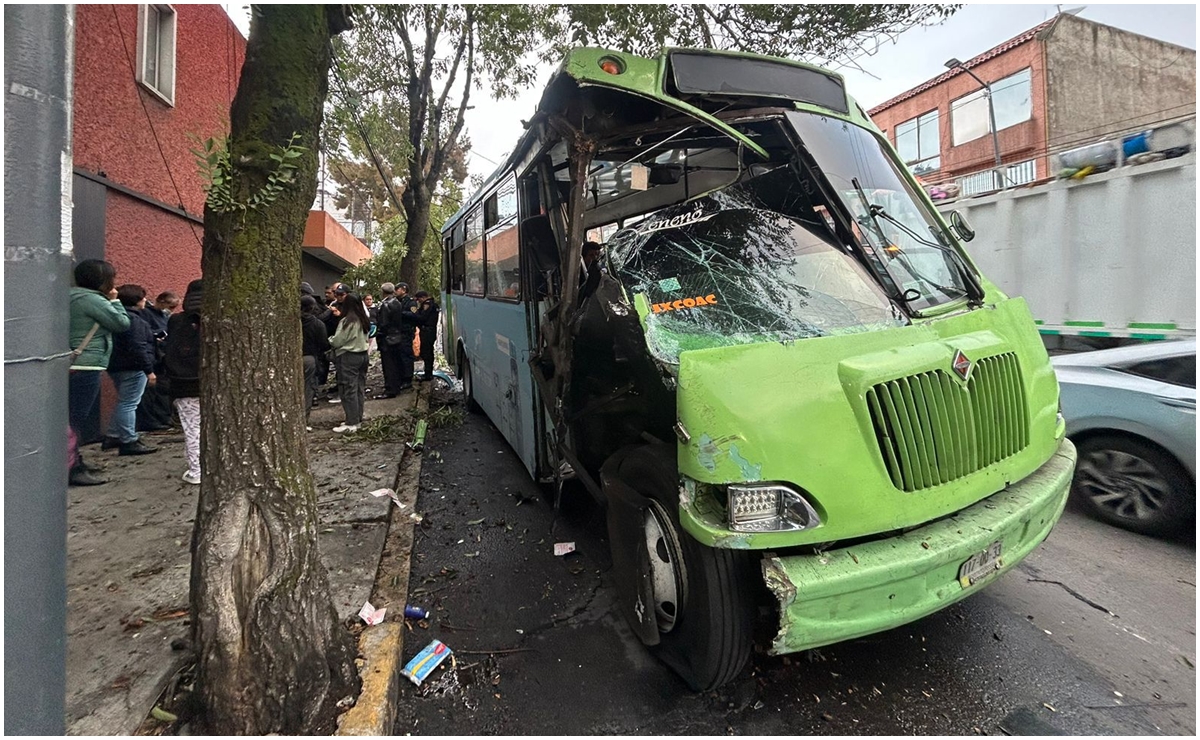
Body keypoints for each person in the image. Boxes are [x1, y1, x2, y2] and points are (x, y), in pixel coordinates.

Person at [68, 259, 131, 485]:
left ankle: (74, 460)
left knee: (70, 416)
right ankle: (71, 467)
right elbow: (121, 323)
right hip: (87, 364)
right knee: (75, 418)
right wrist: (115, 301)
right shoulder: (93, 300)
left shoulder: (70, 296)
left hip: (71, 363)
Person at [101, 284, 159, 455]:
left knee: (124, 401)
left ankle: (113, 435)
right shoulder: (136, 321)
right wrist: (149, 370)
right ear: (137, 301)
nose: (145, 301)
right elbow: (139, 347)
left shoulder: (116, 317)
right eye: (142, 298)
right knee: (129, 404)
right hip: (134, 367)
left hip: (115, 365)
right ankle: (129, 440)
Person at [164, 279, 203, 485]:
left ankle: (196, 470)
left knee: (192, 428)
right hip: (213, 384)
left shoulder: (176, 321)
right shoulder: (222, 321)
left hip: (183, 383)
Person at [135, 290, 179, 432]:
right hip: (153, 355)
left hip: (162, 355)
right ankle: (154, 419)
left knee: (163, 389)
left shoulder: (163, 316)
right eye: (170, 306)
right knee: (152, 392)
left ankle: (164, 417)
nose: (171, 310)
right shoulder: (146, 314)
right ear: (160, 301)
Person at [328, 292, 371, 433]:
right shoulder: (363, 319)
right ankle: (357, 418)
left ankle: (351, 422)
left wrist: (329, 340)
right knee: (359, 387)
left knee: (348, 389)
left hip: (348, 356)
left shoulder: (347, 321)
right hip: (363, 355)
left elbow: (338, 341)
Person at [300, 294, 330, 430]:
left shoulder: (293, 322)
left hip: (293, 357)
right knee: (308, 389)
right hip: (310, 358)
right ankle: (303, 421)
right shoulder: (318, 324)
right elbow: (324, 343)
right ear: (313, 308)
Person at [374, 282, 405, 398]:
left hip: (387, 338)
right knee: (395, 364)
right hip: (396, 336)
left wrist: (379, 334)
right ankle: (396, 386)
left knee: (388, 365)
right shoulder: (397, 302)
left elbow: (383, 323)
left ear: (383, 292)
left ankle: (390, 389)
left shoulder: (385, 305)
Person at [413, 290, 440, 382]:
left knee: (427, 352)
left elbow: (422, 317)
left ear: (423, 297)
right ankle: (428, 373)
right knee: (427, 352)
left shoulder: (427, 304)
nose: (419, 302)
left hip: (427, 331)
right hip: (430, 330)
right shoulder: (433, 304)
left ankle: (428, 374)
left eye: (419, 299)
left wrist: (414, 313)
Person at [579, 240, 603, 305]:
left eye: (597, 255)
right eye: (591, 255)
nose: (595, 258)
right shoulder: (580, 274)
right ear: (584, 257)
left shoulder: (597, 269)